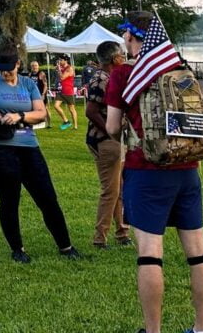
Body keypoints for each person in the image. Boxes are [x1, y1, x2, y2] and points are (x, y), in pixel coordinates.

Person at [106, 11, 203, 333]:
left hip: (147, 169)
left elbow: (112, 127)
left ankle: (153, 330)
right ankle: (201, 328)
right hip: (187, 168)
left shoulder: (125, 74)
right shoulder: (180, 70)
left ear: (130, 36)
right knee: (198, 251)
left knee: (150, 254)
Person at [0, 43, 81, 263]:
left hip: (28, 147)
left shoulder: (28, 84)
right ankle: (17, 249)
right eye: (1, 69)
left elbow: (41, 112)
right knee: (9, 199)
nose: (5, 73)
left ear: (18, 63)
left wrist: (19, 116)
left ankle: (66, 246)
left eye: (9, 68)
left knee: (47, 198)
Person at [84, 40, 131, 248]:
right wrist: (111, 132)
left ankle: (122, 232)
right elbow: (90, 111)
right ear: (114, 59)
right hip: (105, 140)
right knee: (110, 190)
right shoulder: (101, 79)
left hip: (114, 139)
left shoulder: (111, 77)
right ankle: (99, 238)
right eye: (122, 54)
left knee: (118, 188)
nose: (124, 57)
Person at [54, 54, 78, 130]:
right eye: (59, 60)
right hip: (61, 90)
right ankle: (66, 121)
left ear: (65, 60)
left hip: (68, 90)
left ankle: (75, 126)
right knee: (56, 106)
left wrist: (58, 69)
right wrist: (58, 69)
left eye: (61, 60)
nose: (59, 61)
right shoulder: (62, 68)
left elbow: (62, 77)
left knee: (71, 109)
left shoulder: (69, 68)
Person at [28, 60, 50, 126]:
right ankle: (35, 122)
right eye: (33, 66)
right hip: (33, 94)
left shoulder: (41, 74)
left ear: (38, 66)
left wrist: (43, 94)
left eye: (36, 65)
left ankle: (49, 123)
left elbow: (45, 85)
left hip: (41, 94)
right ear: (31, 67)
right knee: (33, 108)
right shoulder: (30, 74)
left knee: (45, 109)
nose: (34, 67)